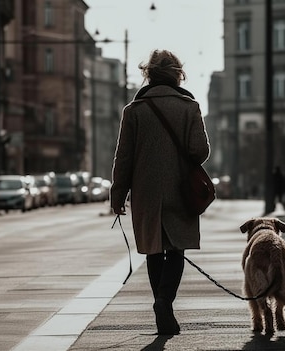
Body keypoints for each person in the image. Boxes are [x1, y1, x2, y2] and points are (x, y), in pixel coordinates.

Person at [110, 49, 210, 335]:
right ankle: (165, 301)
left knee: (154, 251)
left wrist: (118, 197)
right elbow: (200, 151)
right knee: (176, 249)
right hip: (181, 190)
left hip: (146, 193)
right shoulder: (189, 107)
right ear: (177, 75)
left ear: (149, 74)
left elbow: (123, 158)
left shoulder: (134, 111)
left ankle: (160, 304)